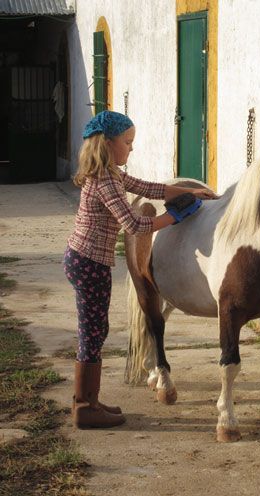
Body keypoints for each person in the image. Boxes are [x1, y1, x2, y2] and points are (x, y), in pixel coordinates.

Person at [63, 110, 216, 429]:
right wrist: (174, 217)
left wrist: (189, 194)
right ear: (108, 144)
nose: (131, 148)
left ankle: (89, 400)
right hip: (88, 262)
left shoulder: (112, 173)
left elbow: (150, 188)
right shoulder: (106, 180)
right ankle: (84, 407)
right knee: (92, 332)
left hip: (89, 260)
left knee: (96, 329)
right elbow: (133, 224)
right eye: (127, 142)